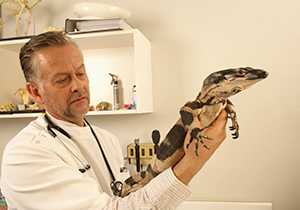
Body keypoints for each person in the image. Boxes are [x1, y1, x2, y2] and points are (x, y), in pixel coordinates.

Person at [0, 31, 227, 210]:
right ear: (36, 93)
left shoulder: (106, 138)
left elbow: (128, 196)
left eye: (80, 73)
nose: (78, 85)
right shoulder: (25, 154)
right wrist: (195, 160)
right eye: (62, 80)